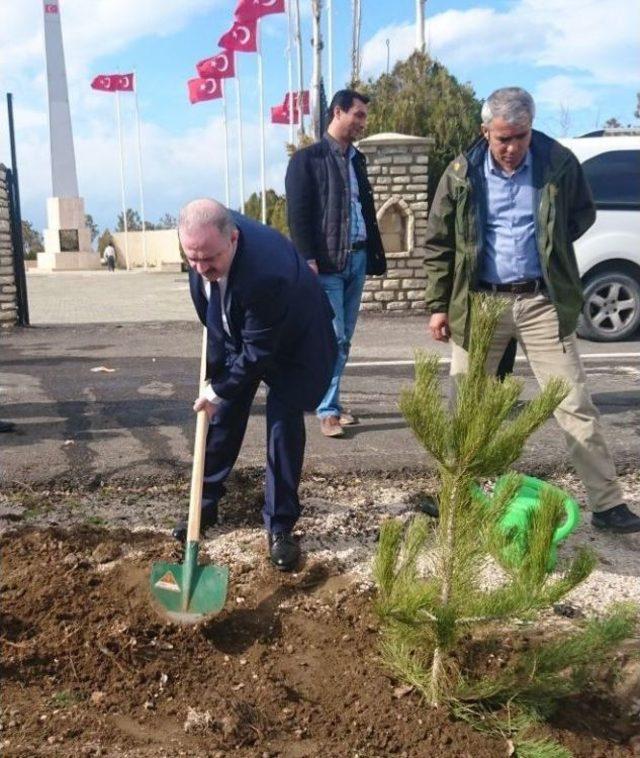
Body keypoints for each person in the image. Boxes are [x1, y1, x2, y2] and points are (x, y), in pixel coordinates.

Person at [423, 86, 640, 534]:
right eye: (502, 138)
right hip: (480, 302)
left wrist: (551, 249)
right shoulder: (462, 173)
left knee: (574, 401)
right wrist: (437, 305)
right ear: (485, 132)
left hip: (541, 302)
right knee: (465, 404)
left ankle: (607, 504)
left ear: (530, 128)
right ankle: (457, 498)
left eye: (519, 137)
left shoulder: (557, 163)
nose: (511, 148)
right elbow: (439, 242)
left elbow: (582, 215)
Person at [173, 199, 337, 570]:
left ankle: (280, 526)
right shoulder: (203, 244)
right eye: (191, 258)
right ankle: (203, 509)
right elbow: (216, 322)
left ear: (233, 239)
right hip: (249, 336)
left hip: (297, 344)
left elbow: (258, 352)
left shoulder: (267, 273)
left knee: (281, 424)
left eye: (208, 259)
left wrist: (218, 388)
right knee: (220, 414)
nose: (200, 268)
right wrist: (215, 384)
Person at [285, 89, 386, 439]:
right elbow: (298, 214)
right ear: (337, 112)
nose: (362, 122)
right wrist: (307, 259)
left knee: (345, 339)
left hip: (356, 258)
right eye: (357, 114)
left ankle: (333, 402)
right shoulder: (307, 160)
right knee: (334, 336)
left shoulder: (357, 160)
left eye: (364, 116)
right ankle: (326, 409)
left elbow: (363, 211)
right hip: (326, 264)